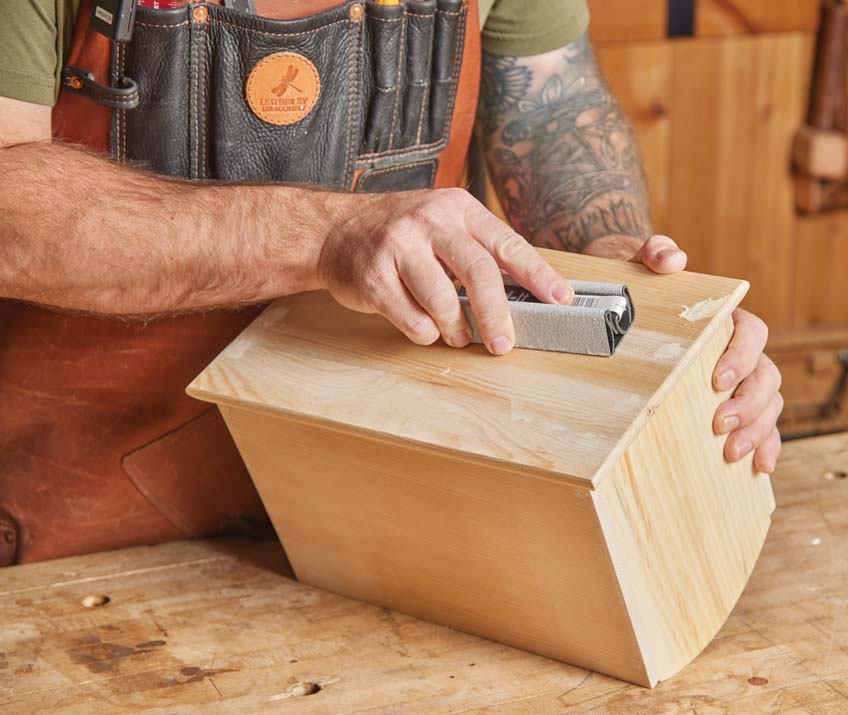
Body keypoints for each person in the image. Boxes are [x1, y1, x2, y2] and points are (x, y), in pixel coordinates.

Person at [0, 0, 783, 564]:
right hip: (91, 529)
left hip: (407, 519)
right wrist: (327, 235)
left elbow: (552, 109)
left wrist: (631, 301)